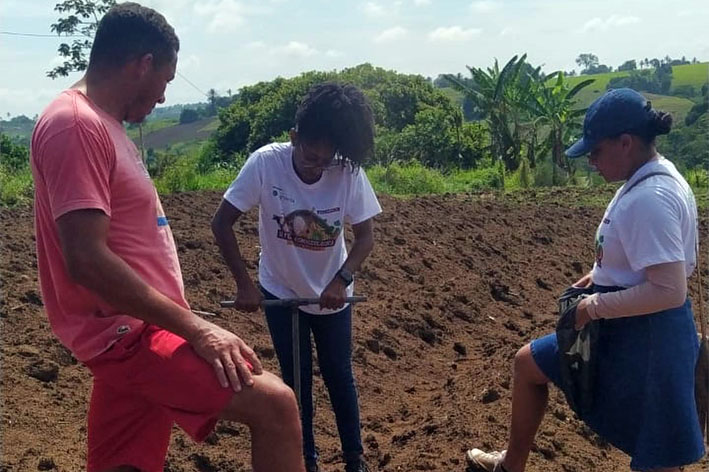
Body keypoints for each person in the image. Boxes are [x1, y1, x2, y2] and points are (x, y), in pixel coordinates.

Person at [30, 3, 304, 472]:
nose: (161, 98)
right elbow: (86, 259)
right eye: (166, 82)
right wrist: (197, 328)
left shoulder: (103, 124)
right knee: (274, 405)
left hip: (141, 325)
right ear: (144, 64)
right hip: (128, 335)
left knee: (125, 465)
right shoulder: (76, 125)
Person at [465, 88, 705, 472]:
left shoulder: (651, 199)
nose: (591, 161)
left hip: (647, 338)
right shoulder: (643, 181)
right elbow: (639, 260)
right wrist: (596, 276)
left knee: (656, 453)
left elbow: (669, 290)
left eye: (596, 152)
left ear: (625, 143)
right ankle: (510, 465)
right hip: (626, 328)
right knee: (529, 364)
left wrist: (593, 306)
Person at [211, 82, 381, 472]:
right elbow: (221, 224)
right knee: (296, 380)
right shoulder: (265, 164)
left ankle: (355, 458)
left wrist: (342, 279)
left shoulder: (348, 173)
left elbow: (366, 236)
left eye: (325, 159)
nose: (315, 165)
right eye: (308, 154)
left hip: (332, 292)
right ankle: (306, 458)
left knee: (339, 373)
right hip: (280, 288)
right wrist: (244, 284)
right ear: (293, 138)